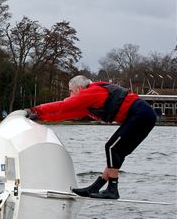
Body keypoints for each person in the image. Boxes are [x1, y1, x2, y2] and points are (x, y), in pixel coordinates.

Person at [24, 75, 156, 200]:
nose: (70, 95)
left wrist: (36, 109)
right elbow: (65, 114)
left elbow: (64, 105)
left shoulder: (92, 92)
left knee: (112, 148)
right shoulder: (89, 103)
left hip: (141, 114)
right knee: (116, 152)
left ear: (79, 89)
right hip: (142, 116)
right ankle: (95, 188)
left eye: (71, 91)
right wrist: (39, 117)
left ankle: (112, 190)